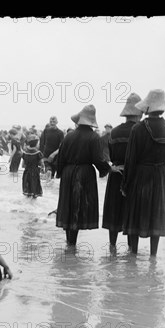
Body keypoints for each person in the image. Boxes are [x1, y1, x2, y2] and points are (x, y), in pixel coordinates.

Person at [120, 89, 165, 256]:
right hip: (160, 175)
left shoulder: (138, 129)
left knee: (136, 215)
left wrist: (125, 185)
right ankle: (153, 257)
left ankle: (133, 255)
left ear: (147, 108)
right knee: (156, 215)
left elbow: (130, 160)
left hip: (140, 176)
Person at [55, 104, 111, 246]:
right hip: (84, 174)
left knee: (68, 206)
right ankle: (72, 244)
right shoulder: (94, 137)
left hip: (68, 173)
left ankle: (69, 242)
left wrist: (60, 173)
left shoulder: (69, 136)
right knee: (78, 208)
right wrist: (107, 169)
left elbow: (60, 157)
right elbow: (98, 159)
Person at [102, 93, 143, 250]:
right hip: (134, 176)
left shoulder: (114, 132)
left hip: (116, 174)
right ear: (139, 113)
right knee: (132, 212)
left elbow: (111, 156)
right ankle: (132, 250)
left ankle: (112, 247)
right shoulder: (139, 130)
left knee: (114, 211)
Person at [21, 133, 45, 198]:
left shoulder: (25, 152)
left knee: (27, 187)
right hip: (35, 171)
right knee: (34, 187)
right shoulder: (38, 153)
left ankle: (28, 204)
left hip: (26, 171)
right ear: (36, 144)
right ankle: (34, 203)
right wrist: (42, 169)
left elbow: (23, 165)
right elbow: (42, 163)